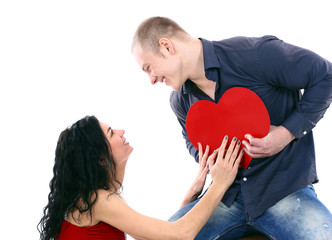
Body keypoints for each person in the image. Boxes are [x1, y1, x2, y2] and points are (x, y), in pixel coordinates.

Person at [132, 16, 332, 239]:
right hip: (224, 200)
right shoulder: (180, 102)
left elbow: (325, 76)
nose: (151, 79)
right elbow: (192, 142)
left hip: (284, 192)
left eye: (148, 67)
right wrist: (207, 159)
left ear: (166, 46)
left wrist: (285, 135)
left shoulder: (256, 55)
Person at [38, 115, 244, 240]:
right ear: (101, 159)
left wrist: (187, 200)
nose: (121, 131)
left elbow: (151, 236)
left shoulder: (100, 196)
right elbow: (182, 234)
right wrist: (220, 183)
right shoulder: (98, 200)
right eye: (111, 133)